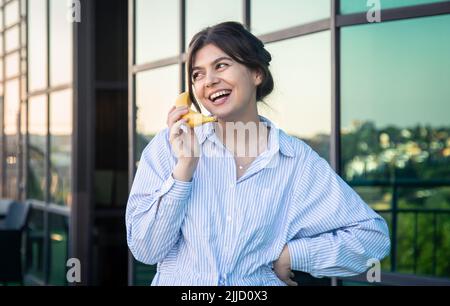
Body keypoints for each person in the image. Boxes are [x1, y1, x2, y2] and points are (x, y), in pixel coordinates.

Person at [126, 21, 390, 286]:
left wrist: (293, 255)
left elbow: (372, 238)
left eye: (221, 65)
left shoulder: (296, 161)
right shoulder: (169, 146)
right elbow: (146, 249)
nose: (209, 81)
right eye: (197, 74)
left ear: (256, 73)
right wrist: (184, 169)